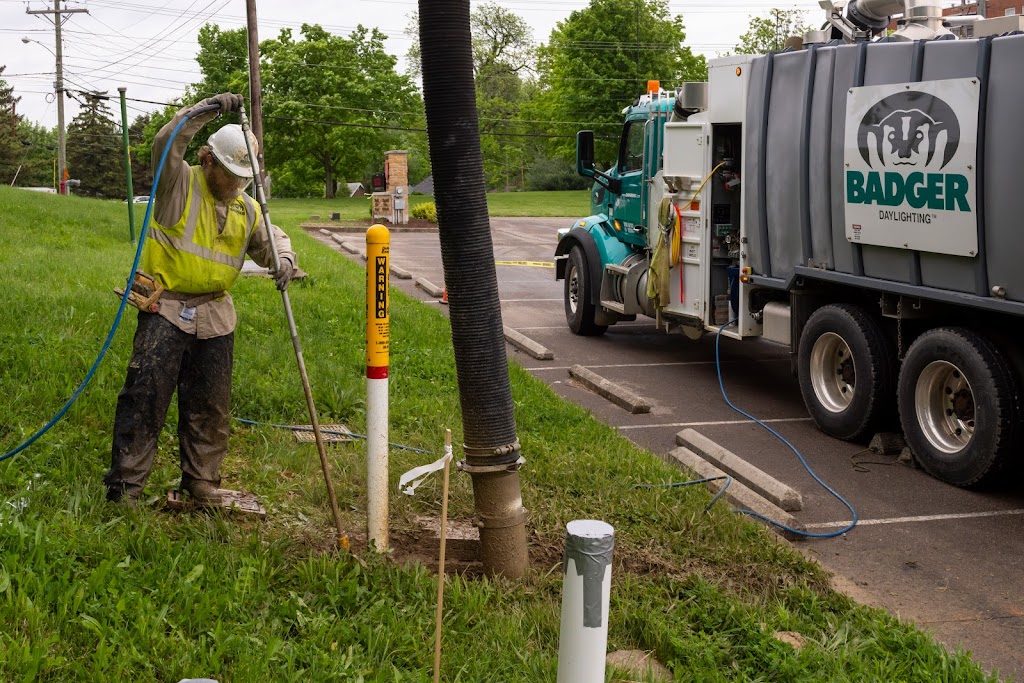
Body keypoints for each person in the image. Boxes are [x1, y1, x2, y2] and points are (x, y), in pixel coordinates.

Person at [105, 92, 299, 506]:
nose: (236, 185)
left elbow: (271, 238)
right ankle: (127, 488)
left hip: (215, 315)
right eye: (230, 175)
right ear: (208, 159)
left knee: (211, 404)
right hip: (166, 309)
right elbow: (167, 142)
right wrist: (203, 111)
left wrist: (283, 258)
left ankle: (202, 481)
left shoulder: (246, 206)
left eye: (244, 179)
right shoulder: (178, 183)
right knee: (145, 399)